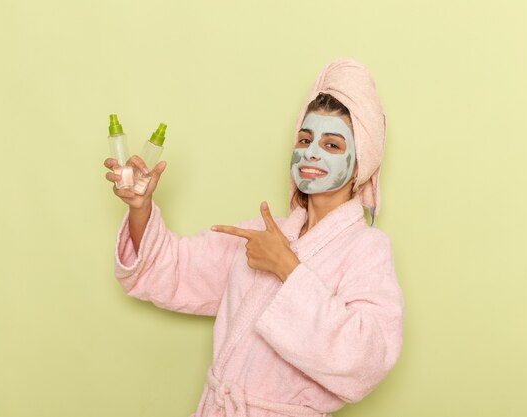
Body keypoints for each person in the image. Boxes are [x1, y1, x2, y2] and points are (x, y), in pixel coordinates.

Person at [104, 58, 404, 417]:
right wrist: (141, 207)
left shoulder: (366, 250)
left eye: (332, 145)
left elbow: (365, 360)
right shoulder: (262, 234)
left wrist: (288, 268)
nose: (311, 152)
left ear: (361, 162)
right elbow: (170, 268)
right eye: (305, 139)